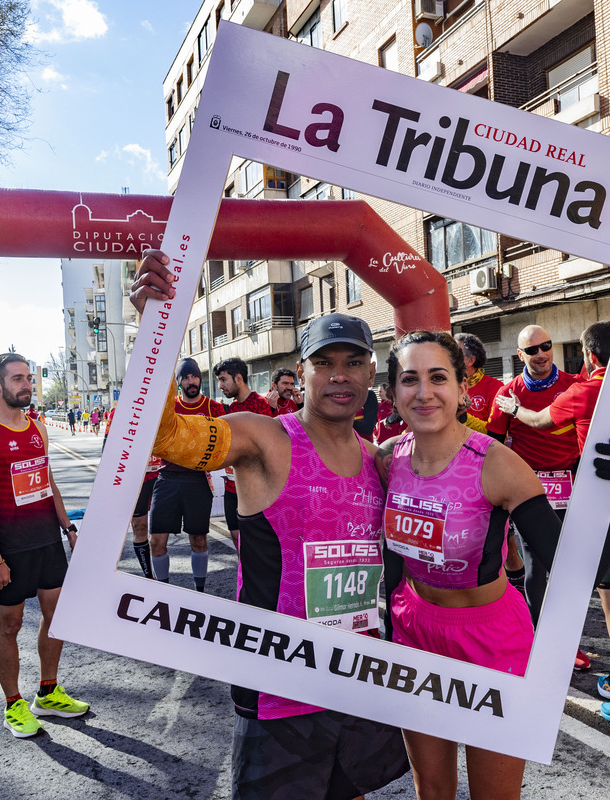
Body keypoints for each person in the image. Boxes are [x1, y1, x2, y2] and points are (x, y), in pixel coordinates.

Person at [133, 251, 410, 800]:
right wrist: (156, 332)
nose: (339, 375)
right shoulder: (264, 437)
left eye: (353, 363)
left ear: (371, 373)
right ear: (299, 371)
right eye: (324, 363)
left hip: (357, 673)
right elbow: (164, 438)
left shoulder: (380, 458)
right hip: (281, 681)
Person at [382, 330, 610, 798]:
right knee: (432, 792)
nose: (424, 392)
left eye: (438, 377)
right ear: (392, 393)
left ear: (463, 387)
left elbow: (572, 571)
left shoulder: (498, 464)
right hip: (413, 632)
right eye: (409, 379)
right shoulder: (388, 460)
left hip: (490, 640)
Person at [500, 321, 610, 725]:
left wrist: (512, 408)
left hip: (604, 512)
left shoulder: (584, 391)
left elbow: (540, 421)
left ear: (591, 356)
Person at [0, 353, 88, 739]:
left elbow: (48, 483)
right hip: (11, 549)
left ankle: (48, 692)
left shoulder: (38, 428)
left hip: (47, 541)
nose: (27, 385)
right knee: (10, 625)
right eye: (18, 379)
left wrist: (67, 526)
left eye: (29, 378)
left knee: (58, 616)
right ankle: (13, 704)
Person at [489, 326, 582, 647]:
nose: (540, 354)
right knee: (535, 565)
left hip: (573, 486)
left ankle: (568, 636)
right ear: (520, 355)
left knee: (569, 567)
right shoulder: (507, 394)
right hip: (529, 491)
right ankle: (540, 635)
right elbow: (493, 446)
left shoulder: (575, 385)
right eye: (532, 350)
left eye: (545, 346)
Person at [148, 358, 225, 589]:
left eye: (195, 377)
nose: (191, 381)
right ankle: (163, 589)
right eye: (186, 378)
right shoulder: (168, 407)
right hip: (167, 479)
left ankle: (198, 591)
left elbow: (224, 444)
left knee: (199, 540)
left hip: (197, 480)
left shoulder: (214, 408)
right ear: (179, 382)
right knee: (156, 541)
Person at [215, 356, 272, 550]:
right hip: (231, 486)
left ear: (238, 378)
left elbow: (264, 447)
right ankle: (243, 580)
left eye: (223, 380)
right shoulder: (232, 408)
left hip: (254, 488)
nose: (221, 386)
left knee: (255, 543)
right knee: (236, 538)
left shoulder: (260, 404)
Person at [455, 332, 503, 426]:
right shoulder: (445, 386)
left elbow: (497, 430)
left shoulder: (496, 388)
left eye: (455, 354)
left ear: (470, 360)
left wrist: (463, 418)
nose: (449, 358)